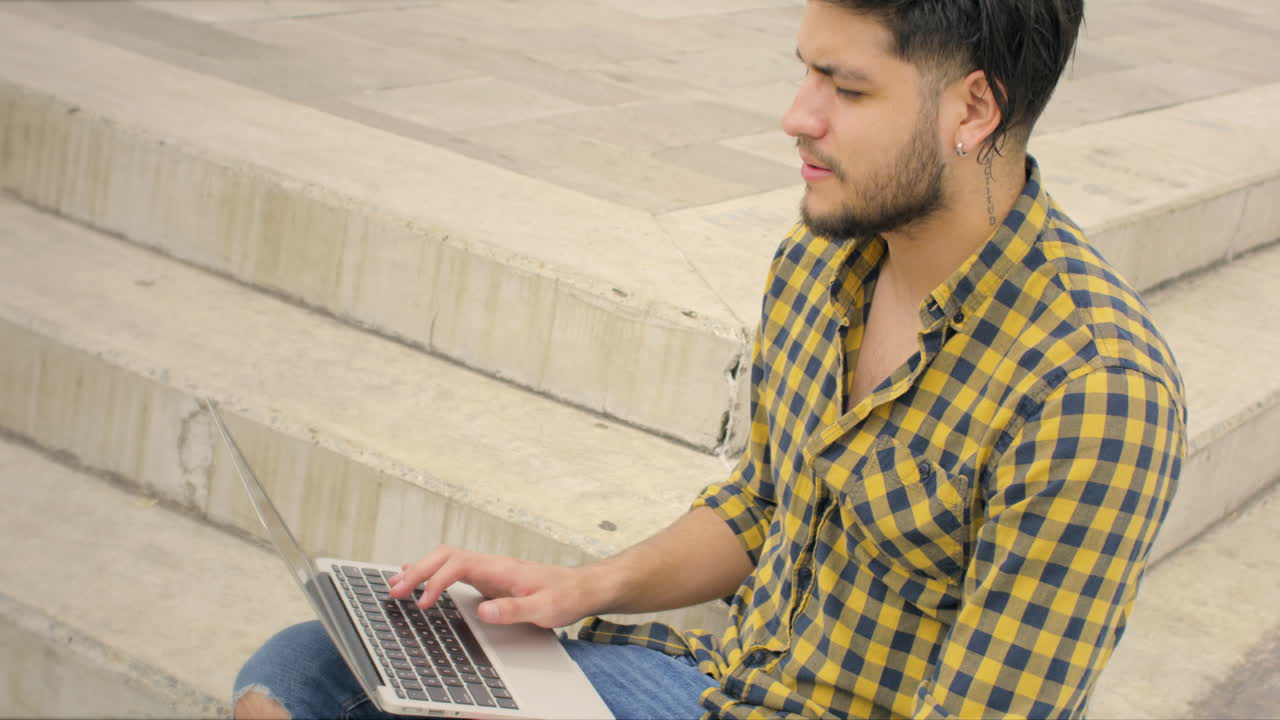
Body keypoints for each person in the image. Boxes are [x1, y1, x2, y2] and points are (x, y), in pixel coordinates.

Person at [235, 0, 1187, 717]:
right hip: (711, 686)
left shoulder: (1094, 392)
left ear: (974, 108)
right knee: (302, 672)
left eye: (846, 89)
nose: (797, 116)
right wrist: (580, 587)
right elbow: (768, 501)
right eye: (806, 73)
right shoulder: (822, 258)